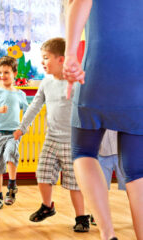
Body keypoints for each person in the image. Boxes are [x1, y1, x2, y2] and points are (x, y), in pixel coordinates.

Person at [63, 1, 143, 239]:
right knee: (137, 170)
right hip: (138, 76)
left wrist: (69, 55)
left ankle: (108, 234)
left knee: (82, 151)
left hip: (98, 70)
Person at [14, 37, 90, 232]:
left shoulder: (76, 83)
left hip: (72, 141)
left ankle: (81, 217)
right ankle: (47, 207)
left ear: (61, 60)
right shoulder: (46, 83)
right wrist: (22, 127)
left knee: (74, 182)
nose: (42, 62)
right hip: (51, 139)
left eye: (46, 58)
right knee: (43, 175)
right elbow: (34, 106)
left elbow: (88, 107)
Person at [0, 56, 28, 209]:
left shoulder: (20, 94)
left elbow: (28, 112)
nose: (2, 76)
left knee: (10, 154)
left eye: (6, 72)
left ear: (14, 73)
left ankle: (11, 187)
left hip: (13, 134)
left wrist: (23, 128)